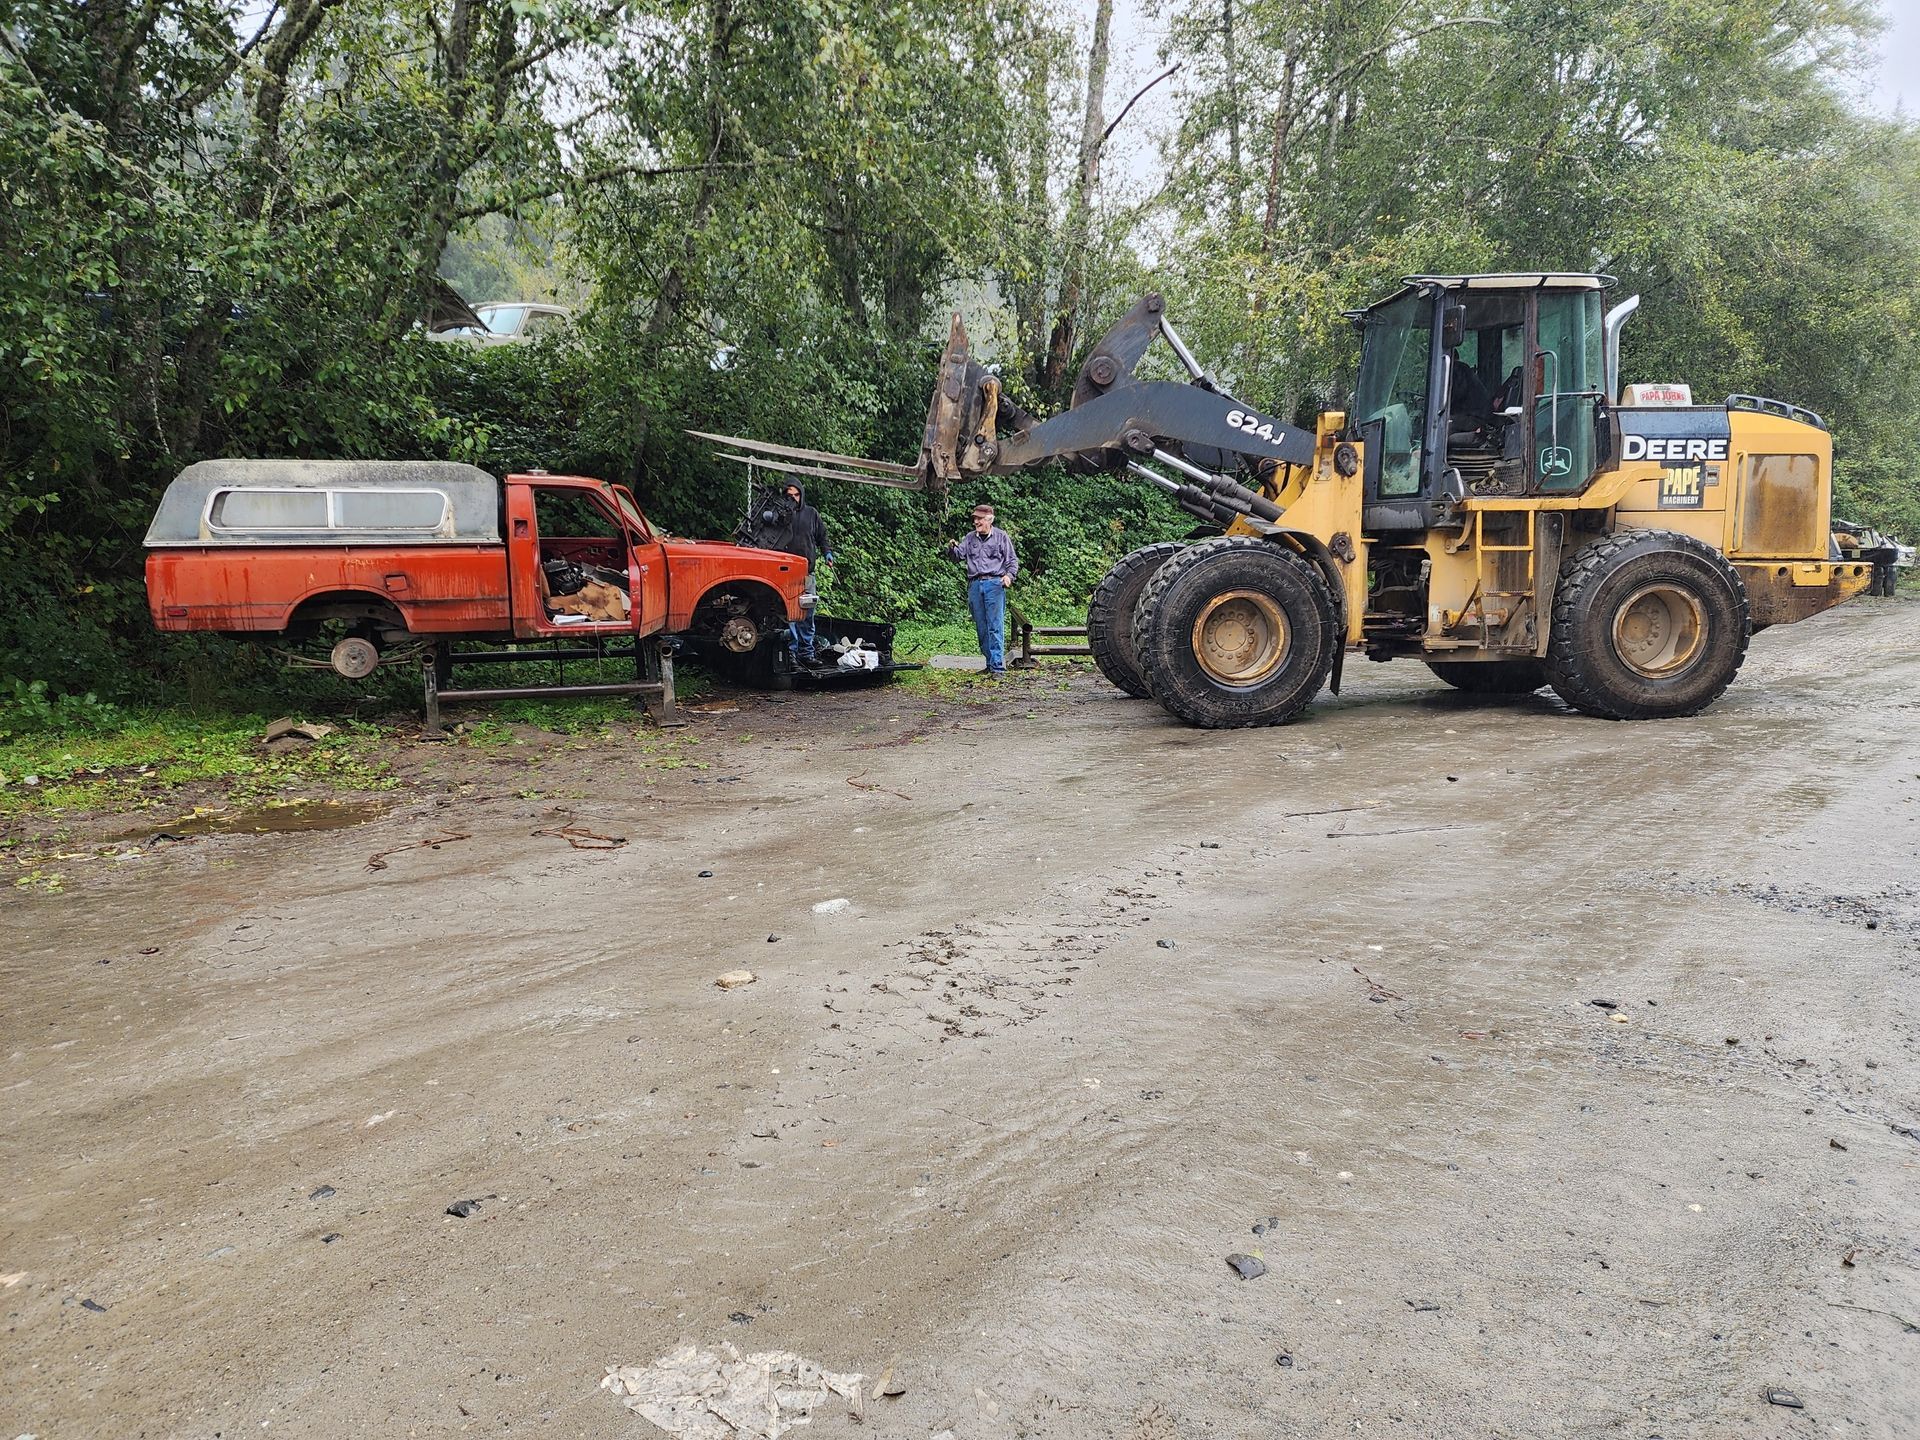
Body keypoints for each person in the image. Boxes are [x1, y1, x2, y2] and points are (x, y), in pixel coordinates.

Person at [947, 502, 1018, 675]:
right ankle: (989, 663)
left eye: (979, 519)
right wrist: (952, 548)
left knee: (995, 626)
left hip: (995, 584)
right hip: (974, 585)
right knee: (981, 626)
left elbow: (1012, 561)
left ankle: (998, 668)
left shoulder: (1001, 537)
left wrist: (1009, 576)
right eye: (975, 519)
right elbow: (958, 557)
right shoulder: (970, 537)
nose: (976, 522)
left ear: (989, 520)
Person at [769, 480, 832, 663]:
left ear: (801, 495)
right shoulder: (779, 515)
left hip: (807, 573)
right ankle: (791, 653)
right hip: (784, 573)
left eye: (796, 495)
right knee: (789, 614)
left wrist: (827, 552)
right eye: (790, 496)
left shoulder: (811, 513)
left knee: (807, 613)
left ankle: (806, 653)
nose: (794, 499)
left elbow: (822, 536)